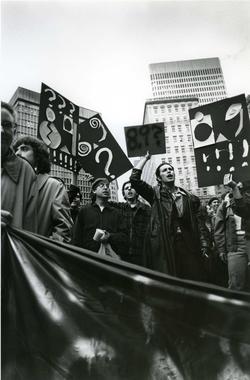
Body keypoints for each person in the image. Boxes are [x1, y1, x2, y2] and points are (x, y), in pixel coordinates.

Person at [130, 152, 207, 281]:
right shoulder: (155, 194)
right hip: (167, 245)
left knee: (194, 279)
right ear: (159, 178)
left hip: (189, 245)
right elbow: (134, 180)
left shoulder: (188, 197)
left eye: (171, 169)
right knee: (172, 280)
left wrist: (204, 244)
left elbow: (199, 223)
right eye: (165, 171)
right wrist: (145, 158)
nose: (169, 172)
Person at [13, 136, 73, 243]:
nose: (17, 153)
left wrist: (42, 252)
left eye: (24, 149)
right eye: (16, 150)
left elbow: (63, 230)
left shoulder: (54, 186)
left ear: (38, 156)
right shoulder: (9, 183)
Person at [1, 101, 38, 232]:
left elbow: (30, 231)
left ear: (14, 131)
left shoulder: (26, 172)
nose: (1, 131)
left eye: (6, 125)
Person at [73, 178, 128, 258]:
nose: (106, 188)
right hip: (88, 259)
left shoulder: (116, 213)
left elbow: (124, 237)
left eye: (107, 186)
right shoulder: (84, 211)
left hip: (110, 259)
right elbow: (76, 237)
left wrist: (110, 236)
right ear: (94, 191)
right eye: (101, 186)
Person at [109, 181, 151, 266]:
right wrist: (95, 185)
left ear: (137, 192)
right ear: (124, 194)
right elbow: (101, 201)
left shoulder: (146, 209)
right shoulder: (119, 208)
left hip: (142, 254)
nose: (129, 189)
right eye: (126, 188)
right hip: (123, 254)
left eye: (132, 187)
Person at [214, 191, 248, 291]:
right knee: (236, 283)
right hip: (235, 245)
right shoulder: (225, 204)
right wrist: (221, 249)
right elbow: (219, 229)